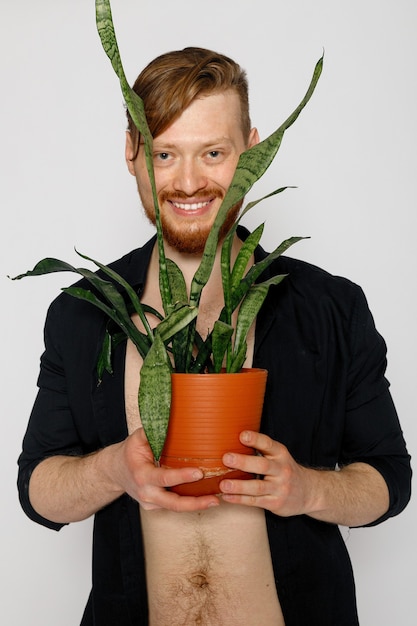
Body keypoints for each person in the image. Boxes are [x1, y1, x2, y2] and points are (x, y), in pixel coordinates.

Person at [17, 47, 411, 626]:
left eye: (214, 152)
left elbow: (389, 479)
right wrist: (114, 471)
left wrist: (307, 491)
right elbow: (39, 487)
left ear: (250, 151)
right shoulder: (86, 313)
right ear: (132, 154)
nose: (189, 181)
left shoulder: (329, 306)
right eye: (165, 154)